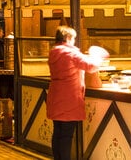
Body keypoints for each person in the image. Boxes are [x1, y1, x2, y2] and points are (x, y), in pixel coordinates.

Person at [46, 26, 108, 160]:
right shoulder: (70, 53)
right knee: (67, 136)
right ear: (68, 38)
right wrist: (99, 58)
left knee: (58, 133)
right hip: (69, 99)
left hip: (56, 97)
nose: (74, 41)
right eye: (73, 38)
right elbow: (90, 66)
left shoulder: (54, 53)